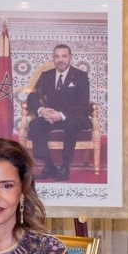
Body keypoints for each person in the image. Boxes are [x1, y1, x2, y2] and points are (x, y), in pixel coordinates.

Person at [26, 44, 92, 182]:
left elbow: (83, 104)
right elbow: (32, 96)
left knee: (70, 123)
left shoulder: (80, 76)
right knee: (34, 124)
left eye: (64, 56)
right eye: (57, 56)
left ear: (70, 57)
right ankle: (49, 165)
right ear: (53, 58)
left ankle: (65, 166)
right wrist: (42, 110)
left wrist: (61, 115)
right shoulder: (47, 76)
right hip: (52, 116)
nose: (60, 60)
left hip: (75, 117)